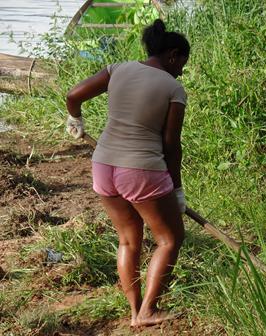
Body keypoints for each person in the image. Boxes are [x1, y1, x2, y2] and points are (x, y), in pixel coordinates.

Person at [65, 19, 190, 327]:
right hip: (141, 170)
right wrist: (176, 190)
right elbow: (171, 145)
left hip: (103, 166)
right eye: (182, 63)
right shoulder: (173, 87)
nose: (182, 71)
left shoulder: (117, 69)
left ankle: (135, 311)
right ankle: (148, 312)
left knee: (128, 240)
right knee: (170, 239)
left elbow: (73, 95)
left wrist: (75, 119)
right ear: (172, 55)